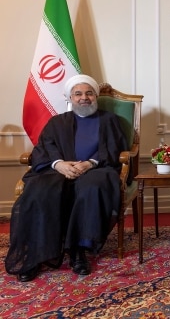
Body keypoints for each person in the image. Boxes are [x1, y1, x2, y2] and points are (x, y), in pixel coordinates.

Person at [5, 75, 128, 282]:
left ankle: (78, 250)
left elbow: (114, 149)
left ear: (95, 96)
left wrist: (90, 163)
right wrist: (59, 165)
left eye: (89, 93)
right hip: (58, 170)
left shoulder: (108, 120)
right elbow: (44, 149)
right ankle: (36, 254)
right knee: (41, 191)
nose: (84, 98)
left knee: (92, 187)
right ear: (70, 98)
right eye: (78, 93)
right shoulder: (57, 122)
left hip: (96, 169)